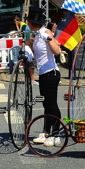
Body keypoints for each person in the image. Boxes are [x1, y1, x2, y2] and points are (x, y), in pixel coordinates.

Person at [24, 8, 63, 147]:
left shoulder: (45, 32)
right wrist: (28, 42)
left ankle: (56, 134)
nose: (27, 23)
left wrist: (49, 39)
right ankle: (46, 131)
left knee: (52, 104)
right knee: (46, 103)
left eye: (28, 21)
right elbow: (27, 46)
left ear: (31, 22)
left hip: (51, 73)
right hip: (42, 74)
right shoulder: (35, 34)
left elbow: (56, 51)